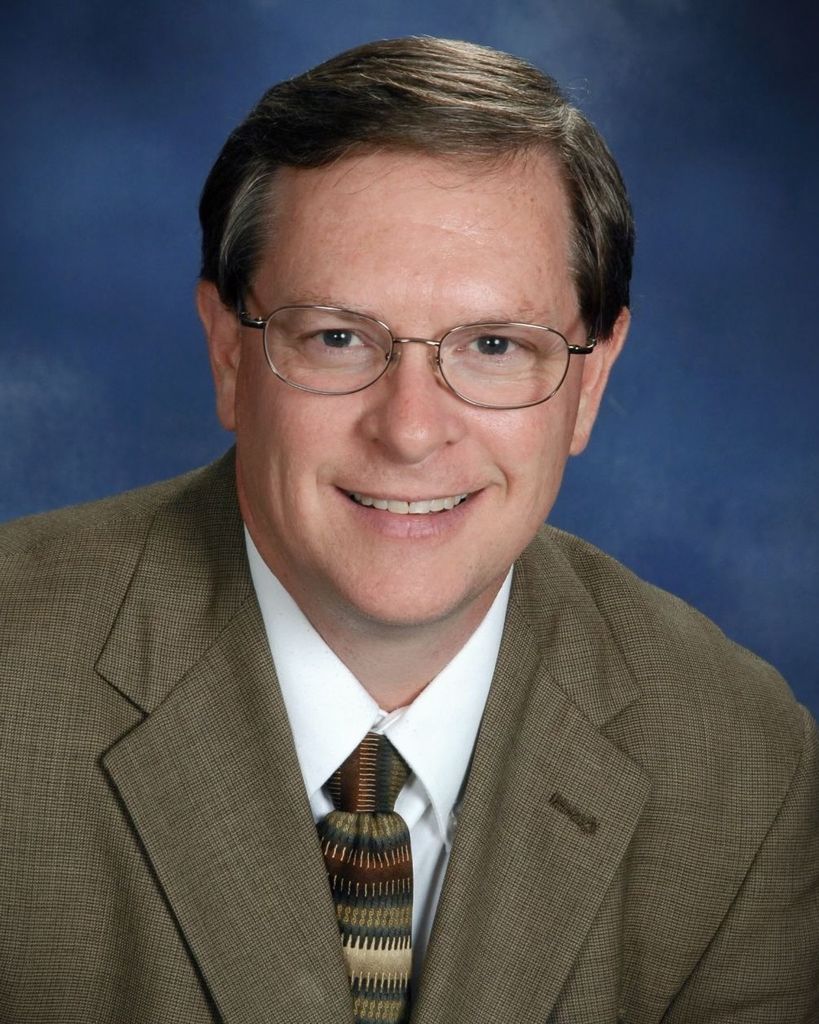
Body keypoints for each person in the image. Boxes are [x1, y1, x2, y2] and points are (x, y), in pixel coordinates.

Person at [1, 36, 816, 1024]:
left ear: (590, 381)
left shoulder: (741, 761)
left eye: (494, 345)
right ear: (228, 354)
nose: (412, 430)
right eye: (338, 337)